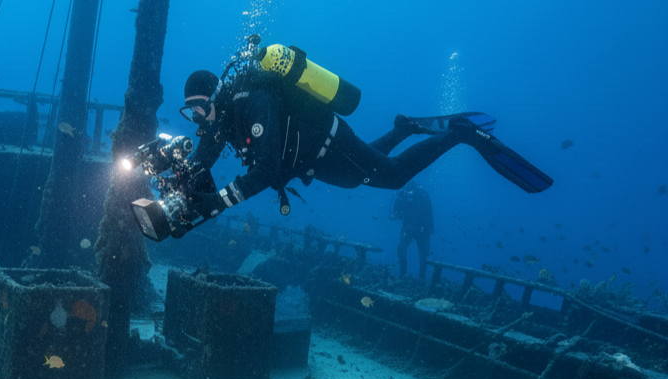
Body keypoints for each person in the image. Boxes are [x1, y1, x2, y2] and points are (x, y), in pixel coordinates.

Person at [178, 58, 551, 223]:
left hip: (329, 142)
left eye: (200, 107)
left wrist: (217, 202)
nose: (197, 117)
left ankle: (460, 135)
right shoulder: (221, 120)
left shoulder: (252, 103)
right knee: (360, 175)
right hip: (315, 161)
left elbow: (265, 171)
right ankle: (403, 128)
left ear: (219, 95)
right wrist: (181, 183)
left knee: (391, 176)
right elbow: (202, 159)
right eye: (190, 112)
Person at [389, 184, 434, 279]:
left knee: (420, 254)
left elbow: (396, 214)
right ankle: (405, 276)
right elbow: (395, 213)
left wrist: (428, 229)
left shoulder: (418, 193)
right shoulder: (406, 194)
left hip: (420, 229)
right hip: (414, 228)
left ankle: (411, 277)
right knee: (407, 250)